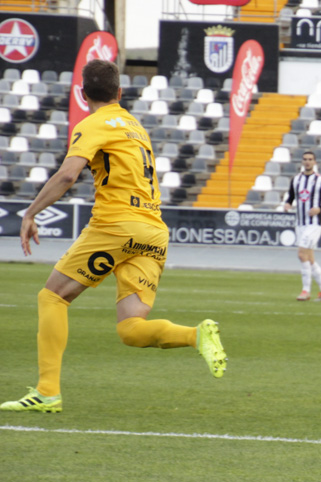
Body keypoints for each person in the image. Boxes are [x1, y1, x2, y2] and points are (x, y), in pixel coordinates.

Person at [3, 59, 226, 413]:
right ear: (120, 92)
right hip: (153, 231)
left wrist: (30, 213)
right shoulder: (135, 126)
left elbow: (67, 175)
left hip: (117, 224)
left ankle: (47, 392)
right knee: (130, 328)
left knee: (52, 298)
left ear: (82, 94)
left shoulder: (93, 124)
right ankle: (196, 335)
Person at [282, 151, 321, 301]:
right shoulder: (296, 179)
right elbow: (291, 196)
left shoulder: (320, 181)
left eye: (310, 159)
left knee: (301, 254)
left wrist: (320, 209)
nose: (307, 162)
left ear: (315, 162)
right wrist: (287, 204)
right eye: (305, 159)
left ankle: (306, 291)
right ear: (302, 161)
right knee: (309, 258)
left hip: (314, 223)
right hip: (300, 223)